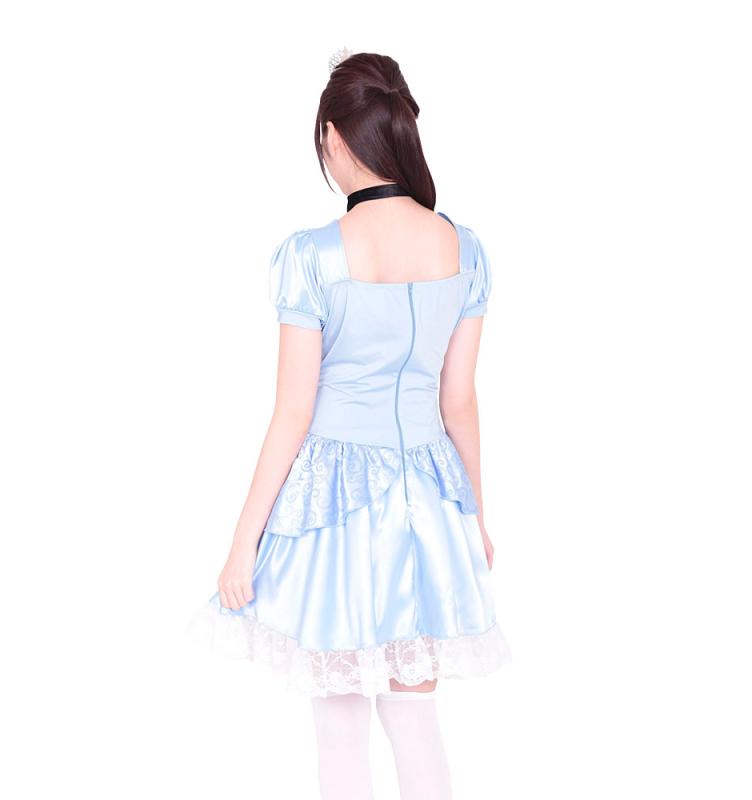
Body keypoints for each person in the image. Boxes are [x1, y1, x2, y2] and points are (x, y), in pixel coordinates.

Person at [188, 50, 512, 799]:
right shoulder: (463, 248)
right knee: (415, 716)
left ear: (333, 136)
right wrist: (474, 515)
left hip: (331, 503)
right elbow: (459, 399)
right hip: (429, 498)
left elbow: (293, 410)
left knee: (338, 723)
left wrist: (243, 541)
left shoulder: (311, 256)